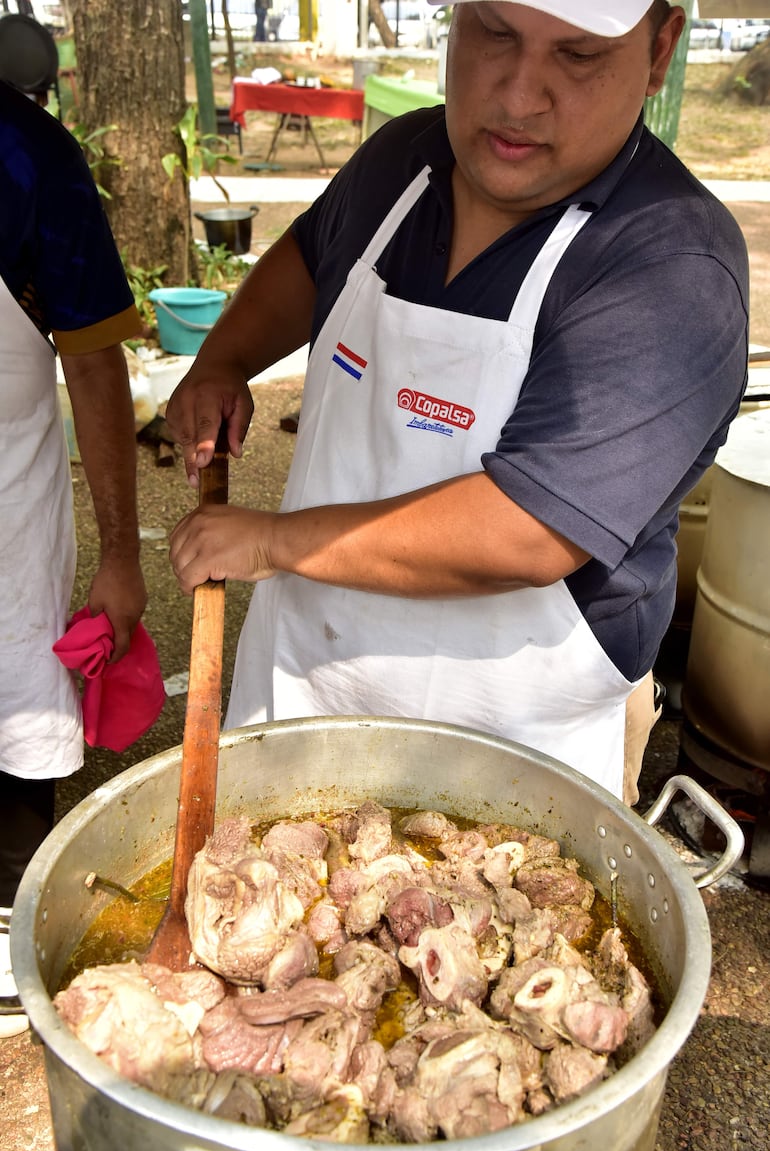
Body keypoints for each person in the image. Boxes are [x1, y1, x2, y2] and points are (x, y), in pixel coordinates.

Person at [166, 2, 749, 809]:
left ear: (659, 51)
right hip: (303, 680)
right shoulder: (403, 161)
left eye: (577, 56)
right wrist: (223, 359)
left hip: (510, 748)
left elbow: (529, 530)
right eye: (495, 33)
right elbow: (309, 255)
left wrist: (269, 543)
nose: (516, 96)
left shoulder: (670, 261)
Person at [0, 80, 147, 1037]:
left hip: (6, 502)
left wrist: (118, 556)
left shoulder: (26, 154)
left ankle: (11, 922)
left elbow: (93, 360)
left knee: (15, 716)